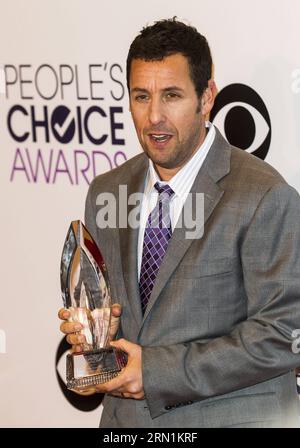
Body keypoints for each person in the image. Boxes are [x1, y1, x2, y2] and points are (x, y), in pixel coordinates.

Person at [59, 18, 300, 427]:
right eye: (141, 96)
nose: (154, 116)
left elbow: (284, 334)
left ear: (207, 97)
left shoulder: (264, 196)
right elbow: (115, 325)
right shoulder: (106, 190)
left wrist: (153, 371)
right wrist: (96, 343)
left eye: (171, 95)